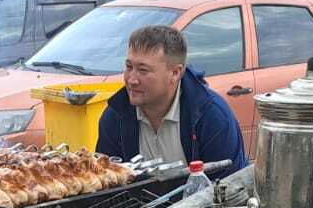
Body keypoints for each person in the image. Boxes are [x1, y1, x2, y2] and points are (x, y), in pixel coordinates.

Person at [96, 26, 247, 180]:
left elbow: (230, 188)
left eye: (143, 70)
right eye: (129, 67)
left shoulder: (212, 116)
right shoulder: (115, 115)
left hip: (201, 202)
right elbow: (106, 184)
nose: (132, 80)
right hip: (138, 204)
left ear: (175, 73)